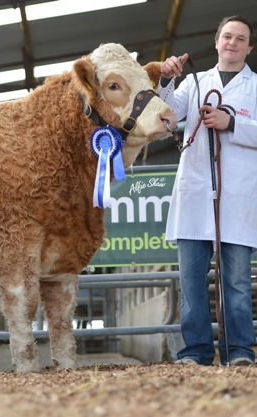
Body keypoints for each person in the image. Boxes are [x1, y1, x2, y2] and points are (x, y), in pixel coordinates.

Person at [159, 15, 257, 366]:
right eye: (227, 36)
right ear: (216, 42)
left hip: (238, 200)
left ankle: (240, 352)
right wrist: (166, 79)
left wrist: (232, 123)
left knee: (237, 284)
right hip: (196, 196)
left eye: (240, 38)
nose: (232, 42)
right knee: (191, 283)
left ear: (249, 47)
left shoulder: (256, 87)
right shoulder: (194, 83)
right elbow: (164, 117)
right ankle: (196, 352)